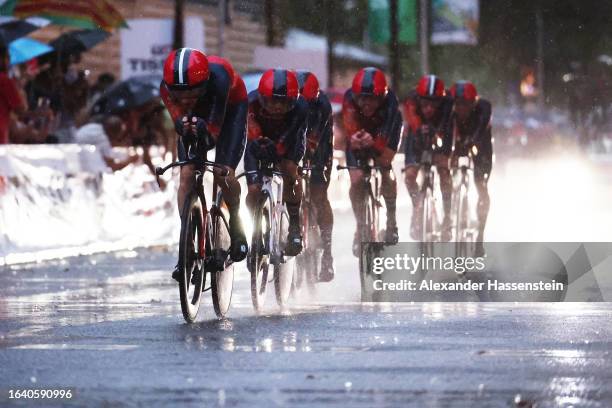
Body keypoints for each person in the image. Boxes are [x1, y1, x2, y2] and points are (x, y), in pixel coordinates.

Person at [160, 48, 248, 280]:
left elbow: (212, 137)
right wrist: (184, 126)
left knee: (223, 173)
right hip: (198, 116)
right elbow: (179, 124)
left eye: (194, 91)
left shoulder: (220, 79)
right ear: (169, 88)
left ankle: (236, 222)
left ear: (205, 83)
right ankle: (187, 239)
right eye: (180, 94)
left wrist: (201, 128)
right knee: (187, 173)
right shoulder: (165, 88)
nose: (187, 98)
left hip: (229, 112)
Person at [244, 68, 308, 257]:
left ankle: (294, 225)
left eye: (284, 102)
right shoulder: (251, 103)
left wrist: (278, 150)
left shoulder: (301, 107)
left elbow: (292, 137)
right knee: (254, 189)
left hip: (288, 139)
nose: (278, 107)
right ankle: (255, 228)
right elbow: (250, 135)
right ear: (263, 97)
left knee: (289, 170)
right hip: (258, 138)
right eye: (273, 101)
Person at [342, 67, 402, 256]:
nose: (366, 104)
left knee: (384, 164)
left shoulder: (391, 102)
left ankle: (391, 220)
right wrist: (355, 138)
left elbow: (386, 135)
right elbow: (349, 129)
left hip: (384, 131)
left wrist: (376, 144)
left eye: (373, 99)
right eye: (362, 98)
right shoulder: (349, 98)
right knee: (356, 178)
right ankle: (360, 225)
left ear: (381, 97)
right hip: (359, 131)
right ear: (355, 96)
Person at [403, 74, 453, 241]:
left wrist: (440, 146)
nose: (429, 108)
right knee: (410, 176)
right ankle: (417, 208)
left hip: (440, 133)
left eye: (434, 104)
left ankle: (447, 217)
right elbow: (412, 121)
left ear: (441, 101)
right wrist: (420, 130)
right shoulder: (411, 99)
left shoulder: (448, 103)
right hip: (416, 135)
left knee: (444, 172)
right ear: (418, 99)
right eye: (425, 103)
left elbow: (447, 128)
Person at [295, 70, 335, 281]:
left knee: (319, 194)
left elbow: (314, 142)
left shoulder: (322, 106)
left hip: (319, 142)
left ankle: (327, 252)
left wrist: (315, 164)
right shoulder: (288, 101)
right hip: (294, 134)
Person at [449, 81, 493, 256]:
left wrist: (472, 141)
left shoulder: (484, 107)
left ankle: (480, 235)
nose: (461, 109)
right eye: (457, 104)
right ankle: (453, 207)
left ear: (473, 103)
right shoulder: (449, 111)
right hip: (459, 142)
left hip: (481, 145)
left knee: (480, 184)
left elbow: (482, 128)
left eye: (465, 105)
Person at [0, 43, 26, 144]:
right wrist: (18, 89)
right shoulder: (4, 80)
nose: (9, 61)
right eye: (7, 57)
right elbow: (20, 110)